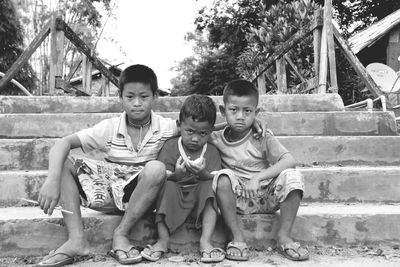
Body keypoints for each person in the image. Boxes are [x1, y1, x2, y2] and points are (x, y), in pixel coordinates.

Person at [35, 64, 181, 266]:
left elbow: (201, 126)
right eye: (130, 97)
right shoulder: (109, 127)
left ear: (155, 96)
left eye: (144, 97)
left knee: (156, 168)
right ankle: (76, 239)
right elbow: (63, 143)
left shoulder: (166, 127)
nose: (136, 103)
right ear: (120, 97)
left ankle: (121, 234)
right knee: (65, 163)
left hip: (141, 196)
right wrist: (52, 180)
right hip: (109, 192)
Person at [210, 79, 309, 262]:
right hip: (236, 199)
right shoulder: (215, 138)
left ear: (256, 113)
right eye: (233, 110)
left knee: (293, 176)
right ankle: (237, 237)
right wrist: (224, 124)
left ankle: (284, 237)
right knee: (222, 177)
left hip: (265, 196)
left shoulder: (261, 136)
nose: (240, 116)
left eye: (247, 111)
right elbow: (189, 129)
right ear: (223, 111)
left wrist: (258, 178)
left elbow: (289, 160)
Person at [140, 95, 225, 263]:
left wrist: (203, 175)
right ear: (179, 126)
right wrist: (177, 175)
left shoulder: (212, 151)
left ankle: (206, 241)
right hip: (176, 194)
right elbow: (162, 176)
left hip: (199, 197)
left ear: (211, 131)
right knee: (168, 187)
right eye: (190, 131)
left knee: (209, 187)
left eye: (203, 133)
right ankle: (163, 240)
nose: (195, 138)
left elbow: (215, 177)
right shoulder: (171, 146)